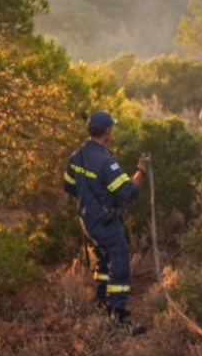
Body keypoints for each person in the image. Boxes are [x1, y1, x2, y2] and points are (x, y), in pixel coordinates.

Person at [63, 111, 149, 336]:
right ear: (107, 131)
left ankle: (102, 303)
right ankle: (116, 319)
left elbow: (69, 186)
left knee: (103, 261)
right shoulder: (105, 162)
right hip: (106, 224)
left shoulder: (77, 156)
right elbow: (129, 192)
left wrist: (90, 201)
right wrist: (141, 170)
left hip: (88, 222)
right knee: (119, 266)